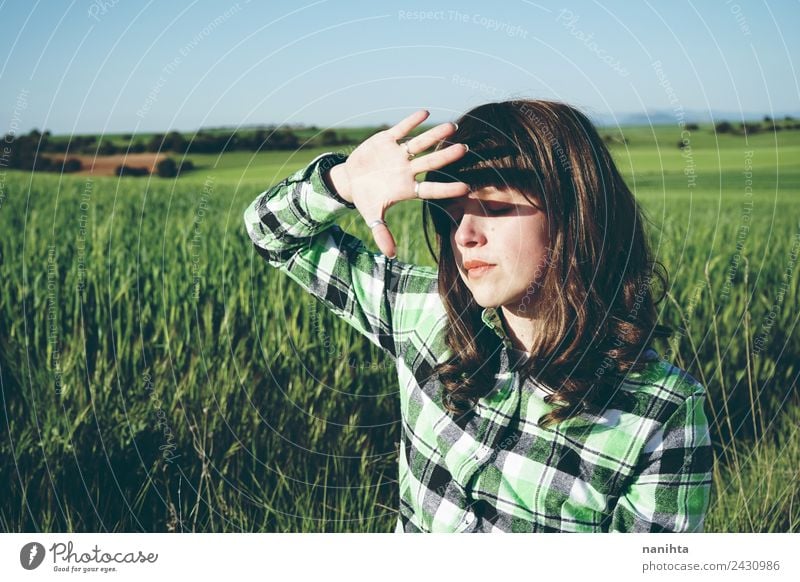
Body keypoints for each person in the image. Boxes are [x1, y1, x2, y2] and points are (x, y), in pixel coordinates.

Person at [243, 100, 714, 533]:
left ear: (578, 214)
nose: (464, 235)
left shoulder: (662, 412)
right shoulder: (425, 313)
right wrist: (341, 184)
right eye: (450, 214)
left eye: (492, 206)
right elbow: (272, 234)